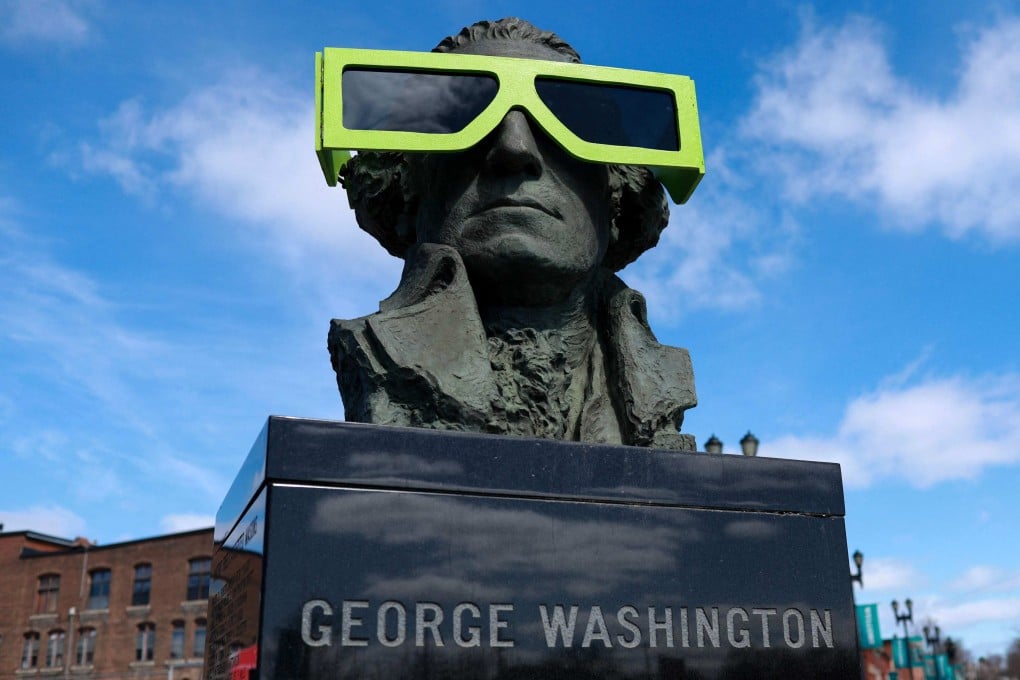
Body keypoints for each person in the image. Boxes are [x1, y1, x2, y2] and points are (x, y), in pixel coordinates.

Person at [328, 18, 697, 451]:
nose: (515, 147)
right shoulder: (373, 360)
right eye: (464, 117)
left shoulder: (659, 382)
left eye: (567, 121)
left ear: (615, 201)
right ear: (408, 190)